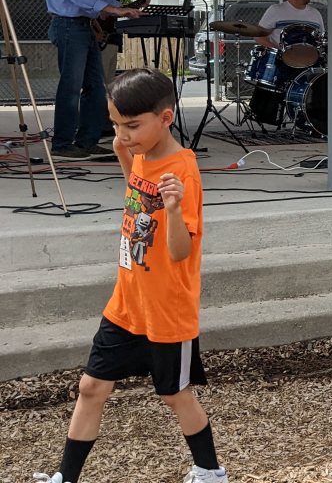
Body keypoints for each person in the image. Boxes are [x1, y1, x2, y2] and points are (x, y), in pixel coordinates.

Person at [33, 68, 228, 483]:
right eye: (115, 124)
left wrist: (173, 209)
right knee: (91, 387)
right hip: (126, 304)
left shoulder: (182, 172)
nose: (122, 134)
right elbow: (138, 196)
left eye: (132, 125)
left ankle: (210, 471)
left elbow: (180, 250)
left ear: (166, 118)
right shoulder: (139, 151)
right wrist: (125, 155)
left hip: (167, 309)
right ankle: (65, 477)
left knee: (175, 394)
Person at [42, 0, 142, 159]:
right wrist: (113, 10)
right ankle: (62, 143)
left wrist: (122, 7)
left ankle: (87, 140)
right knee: (71, 86)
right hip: (68, 25)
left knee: (96, 87)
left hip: (84, 26)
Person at [254, 0, 324, 50]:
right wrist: (277, 51)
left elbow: (321, 39)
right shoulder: (276, 10)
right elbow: (259, 36)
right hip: (282, 56)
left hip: (310, 56)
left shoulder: (316, 13)